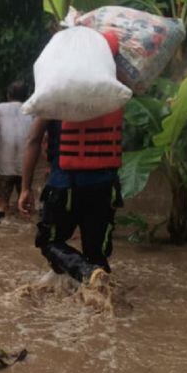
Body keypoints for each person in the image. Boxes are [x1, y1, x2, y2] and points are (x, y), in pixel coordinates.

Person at [18, 108, 124, 286]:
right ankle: (100, 293)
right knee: (96, 252)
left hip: (64, 185)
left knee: (48, 241)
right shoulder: (110, 94)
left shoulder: (57, 95)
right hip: (105, 187)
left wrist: (25, 188)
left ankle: (85, 271)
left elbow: (34, 139)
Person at [0, 81, 34, 224]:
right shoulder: (32, 110)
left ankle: (0, 216)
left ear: (8, 95)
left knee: (2, 204)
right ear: (27, 96)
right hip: (25, 167)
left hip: (3, 166)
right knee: (26, 206)